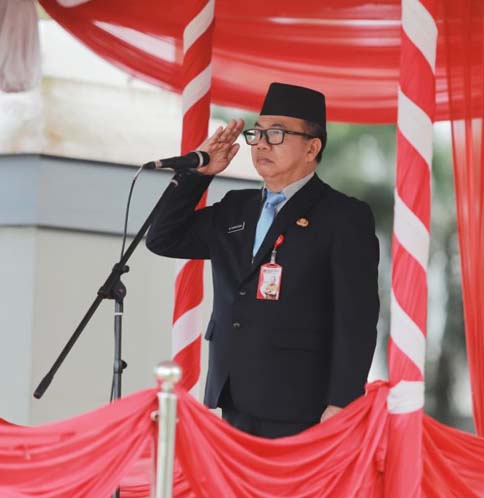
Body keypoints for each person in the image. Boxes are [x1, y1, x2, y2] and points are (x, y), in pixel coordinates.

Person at [146, 82, 379, 438]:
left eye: (277, 133)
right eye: (257, 133)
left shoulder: (343, 216)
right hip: (234, 393)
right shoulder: (236, 208)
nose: (262, 144)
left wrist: (342, 401)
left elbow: (356, 319)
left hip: (301, 402)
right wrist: (198, 175)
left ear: (312, 147)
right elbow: (163, 238)